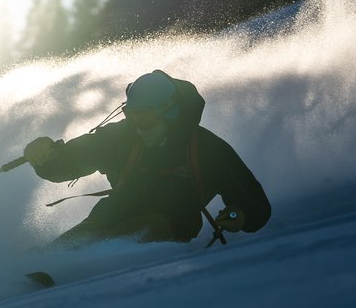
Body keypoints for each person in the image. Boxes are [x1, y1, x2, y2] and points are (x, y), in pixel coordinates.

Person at [24, 69, 271, 247]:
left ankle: (75, 267)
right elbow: (73, 159)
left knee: (147, 226)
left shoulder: (207, 149)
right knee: (71, 245)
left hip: (170, 228)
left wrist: (241, 215)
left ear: (169, 112)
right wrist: (45, 157)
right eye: (132, 116)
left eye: (146, 118)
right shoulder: (123, 137)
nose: (139, 127)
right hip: (108, 217)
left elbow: (253, 200)